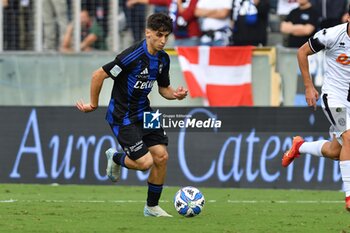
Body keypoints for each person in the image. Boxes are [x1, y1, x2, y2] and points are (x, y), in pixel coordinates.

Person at [76, 13, 188, 217]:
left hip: (145, 112)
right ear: (148, 33)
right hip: (122, 115)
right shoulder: (132, 56)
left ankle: (152, 207)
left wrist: (176, 95)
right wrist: (93, 103)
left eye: (166, 36)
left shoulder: (163, 58)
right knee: (145, 163)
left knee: (162, 157)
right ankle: (116, 157)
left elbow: (164, 89)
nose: (163, 40)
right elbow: (98, 74)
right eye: (159, 35)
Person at [281, 8, 350, 212]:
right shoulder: (332, 35)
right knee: (349, 138)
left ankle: (299, 146)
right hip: (334, 97)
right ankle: (349, 196)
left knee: (335, 151)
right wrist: (309, 86)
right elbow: (302, 52)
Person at [126, 0, 201, 46]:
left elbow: (187, 15)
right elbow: (153, 1)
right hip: (178, 37)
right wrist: (136, 1)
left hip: (191, 38)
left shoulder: (193, 1)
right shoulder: (172, 1)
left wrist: (179, 4)